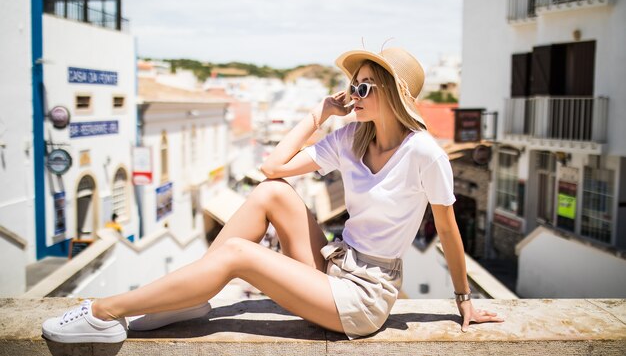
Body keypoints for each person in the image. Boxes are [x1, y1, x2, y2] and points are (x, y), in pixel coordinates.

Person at [42, 46, 504, 343]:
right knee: (270, 193)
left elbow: (447, 230)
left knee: (239, 254)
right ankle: (185, 302)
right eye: (352, 85)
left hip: (362, 299)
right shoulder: (352, 138)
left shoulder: (424, 153)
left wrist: (463, 300)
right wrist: (319, 114)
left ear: (392, 94)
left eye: (363, 86)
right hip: (334, 268)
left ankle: (104, 313)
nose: (353, 94)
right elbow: (273, 168)